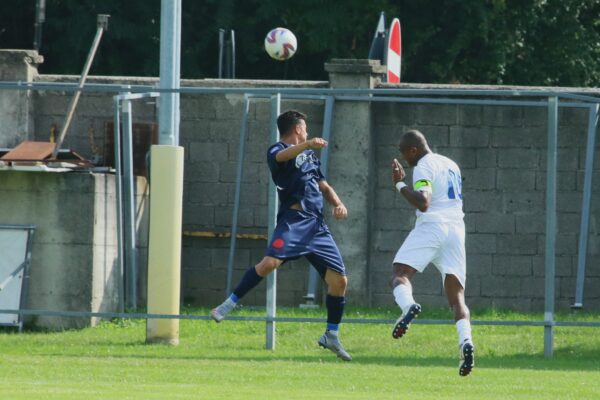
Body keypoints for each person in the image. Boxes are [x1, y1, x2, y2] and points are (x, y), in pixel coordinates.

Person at [210, 110, 352, 361]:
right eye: (305, 128)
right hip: (294, 222)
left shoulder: (309, 155)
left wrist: (337, 203)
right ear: (297, 129)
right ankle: (228, 304)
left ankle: (331, 334)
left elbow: (323, 185)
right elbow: (282, 155)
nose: (307, 132)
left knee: (340, 282)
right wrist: (307, 143)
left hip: (317, 227)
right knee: (269, 263)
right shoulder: (276, 150)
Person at [390, 129, 475, 376]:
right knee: (457, 298)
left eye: (405, 153)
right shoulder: (451, 164)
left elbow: (424, 203)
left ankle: (408, 307)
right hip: (456, 231)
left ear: (414, 150)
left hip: (433, 227)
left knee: (399, 274)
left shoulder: (424, 166)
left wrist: (399, 184)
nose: (405, 159)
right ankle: (466, 342)